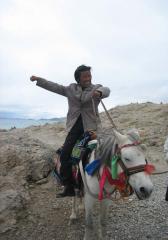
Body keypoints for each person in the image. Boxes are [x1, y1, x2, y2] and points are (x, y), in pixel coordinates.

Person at [30, 65, 110, 197]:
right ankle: (69, 186)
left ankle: (106, 181)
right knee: (65, 155)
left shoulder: (96, 88)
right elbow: (54, 86)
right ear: (78, 78)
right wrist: (39, 79)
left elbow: (106, 90)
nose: (88, 78)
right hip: (74, 128)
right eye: (85, 76)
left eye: (89, 75)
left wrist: (100, 93)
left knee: (101, 152)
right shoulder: (70, 89)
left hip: (91, 129)